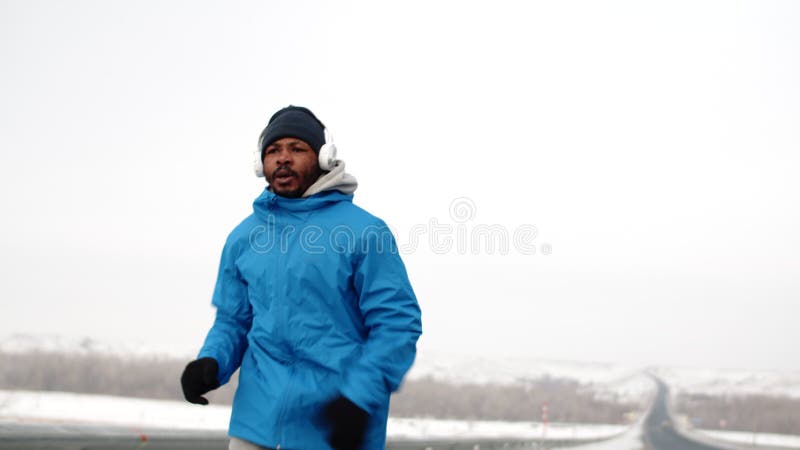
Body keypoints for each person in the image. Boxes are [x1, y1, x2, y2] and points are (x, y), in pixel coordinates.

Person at [180, 106, 422, 450]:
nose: (283, 159)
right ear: (259, 163)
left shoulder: (365, 233)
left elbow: (397, 325)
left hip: (334, 424)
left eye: (296, 149)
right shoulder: (243, 238)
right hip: (255, 424)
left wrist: (358, 398)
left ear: (323, 158)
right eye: (273, 151)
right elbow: (234, 321)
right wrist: (212, 360)